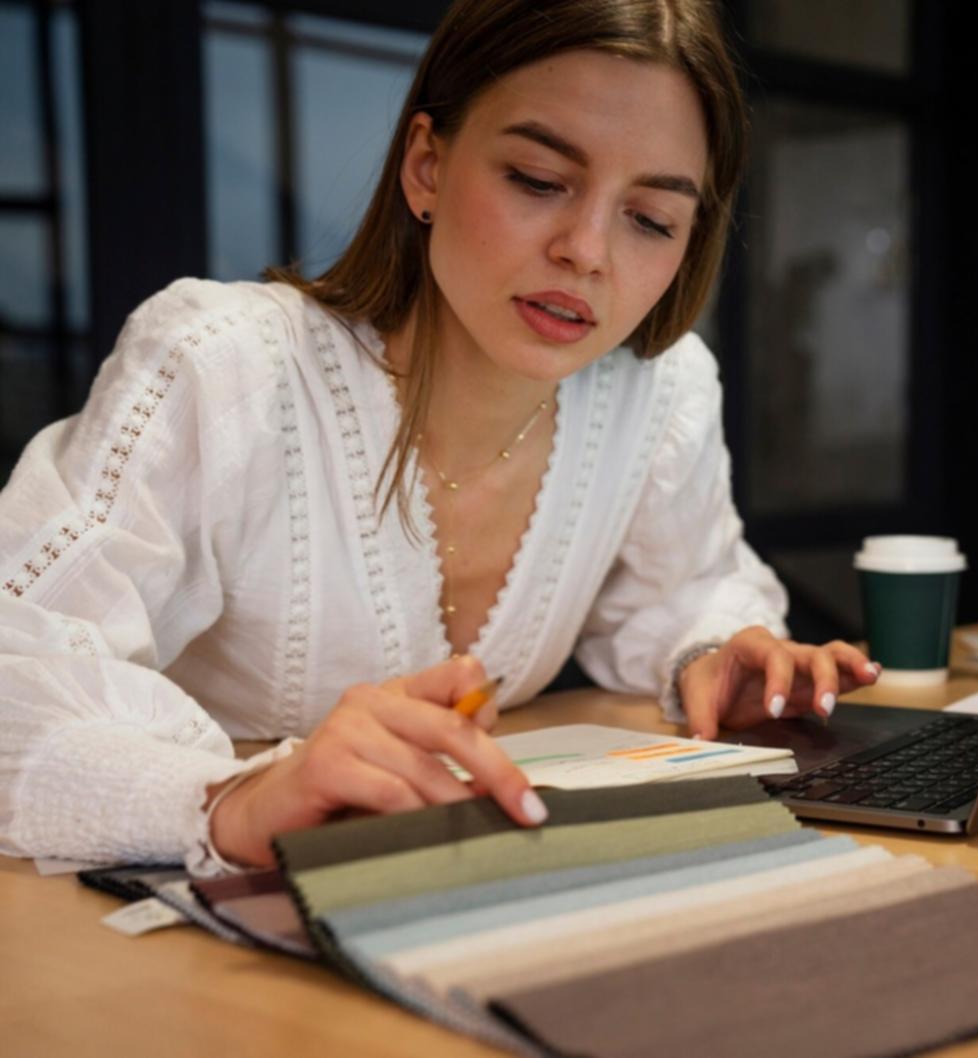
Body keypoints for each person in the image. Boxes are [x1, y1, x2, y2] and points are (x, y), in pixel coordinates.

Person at [0, 0, 878, 875]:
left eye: (650, 219)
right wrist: (229, 801)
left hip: (464, 889)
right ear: (426, 165)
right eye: (538, 179)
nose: (586, 251)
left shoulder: (658, 391)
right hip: (194, 927)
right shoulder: (224, 368)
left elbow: (685, 586)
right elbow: (16, 662)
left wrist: (716, 652)